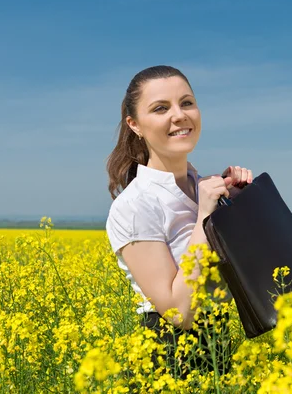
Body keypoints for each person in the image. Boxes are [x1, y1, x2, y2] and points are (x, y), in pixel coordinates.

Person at [104, 65, 252, 378]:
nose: (179, 115)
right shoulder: (134, 206)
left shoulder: (206, 187)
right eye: (160, 108)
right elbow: (177, 313)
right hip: (168, 361)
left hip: (219, 348)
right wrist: (205, 218)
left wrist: (241, 204)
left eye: (186, 103)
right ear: (135, 125)